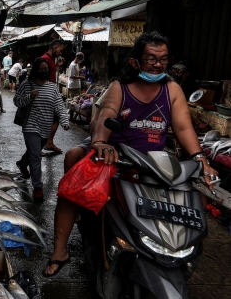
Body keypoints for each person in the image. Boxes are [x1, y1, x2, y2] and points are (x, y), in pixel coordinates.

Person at [43, 32, 219, 277]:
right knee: (73, 166)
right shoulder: (119, 87)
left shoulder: (172, 89)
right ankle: (60, 250)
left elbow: (182, 126)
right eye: (151, 59)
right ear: (135, 62)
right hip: (113, 153)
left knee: (195, 196)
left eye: (163, 59)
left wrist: (200, 157)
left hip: (153, 160)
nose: (158, 64)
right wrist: (101, 142)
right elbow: (105, 115)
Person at [14, 57, 70, 200]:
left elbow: (59, 106)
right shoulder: (27, 85)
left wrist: (64, 121)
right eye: (42, 69)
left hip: (46, 127)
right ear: (35, 70)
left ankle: (22, 163)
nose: (45, 72)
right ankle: (38, 187)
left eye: (47, 69)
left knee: (34, 150)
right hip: (30, 126)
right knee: (36, 155)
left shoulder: (52, 87)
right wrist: (29, 96)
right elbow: (17, 101)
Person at [40, 40, 66, 154]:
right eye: (61, 49)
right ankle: (40, 145)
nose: (61, 52)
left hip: (49, 92)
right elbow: (42, 77)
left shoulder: (49, 60)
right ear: (54, 47)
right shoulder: (45, 59)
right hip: (46, 93)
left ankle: (48, 142)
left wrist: (56, 66)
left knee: (53, 118)